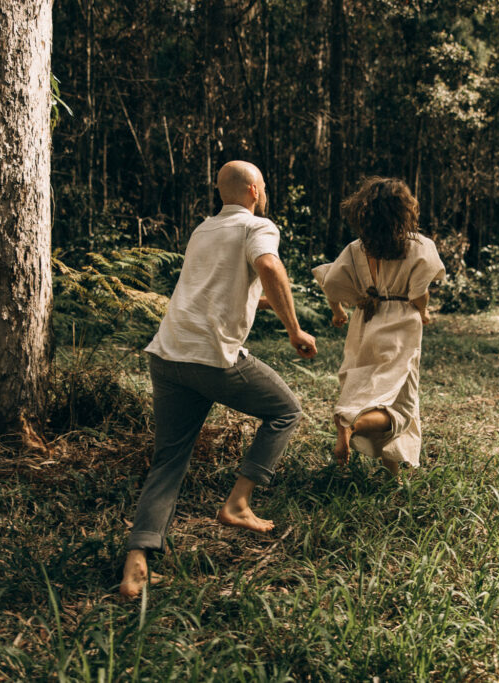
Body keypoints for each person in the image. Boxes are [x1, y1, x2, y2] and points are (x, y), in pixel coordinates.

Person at [120, 160, 317, 599]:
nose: (264, 192)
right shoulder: (257, 227)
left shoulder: (203, 230)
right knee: (286, 410)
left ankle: (137, 565)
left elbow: (222, 286)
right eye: (262, 185)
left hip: (168, 354)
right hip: (211, 359)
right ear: (252, 190)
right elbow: (268, 266)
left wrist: (262, 303)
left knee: (168, 459)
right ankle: (238, 503)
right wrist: (294, 329)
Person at [313, 177, 445, 477]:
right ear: (405, 210)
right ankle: (351, 423)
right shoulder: (419, 246)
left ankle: (392, 474)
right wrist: (423, 313)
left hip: (365, 324)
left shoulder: (356, 249)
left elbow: (331, 284)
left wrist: (337, 312)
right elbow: (418, 293)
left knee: (372, 393)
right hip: (401, 326)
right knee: (400, 406)